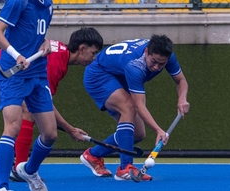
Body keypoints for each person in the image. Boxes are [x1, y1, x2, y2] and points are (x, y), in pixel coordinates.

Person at [0, 0, 67, 191]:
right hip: (12, 73)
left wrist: (44, 43)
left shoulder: (48, 3)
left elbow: (37, 34)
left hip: (37, 73)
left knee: (50, 134)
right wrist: (17, 55)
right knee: (11, 127)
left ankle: (29, 170)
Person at [0, 27, 104, 180]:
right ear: (82, 49)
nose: (94, 58)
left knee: (28, 113)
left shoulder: (61, 55)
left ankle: (10, 156)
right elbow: (45, 105)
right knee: (29, 112)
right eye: (93, 53)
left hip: (9, 73)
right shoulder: (56, 62)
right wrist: (70, 129)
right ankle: (18, 169)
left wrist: (68, 128)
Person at [81, 35, 190, 181]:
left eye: (161, 64)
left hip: (119, 76)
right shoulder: (135, 66)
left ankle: (93, 155)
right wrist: (158, 130)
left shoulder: (167, 56)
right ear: (146, 52)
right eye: (154, 61)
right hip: (98, 75)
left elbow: (181, 80)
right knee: (129, 106)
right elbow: (139, 105)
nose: (156, 67)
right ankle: (125, 167)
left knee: (137, 134)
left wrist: (182, 99)